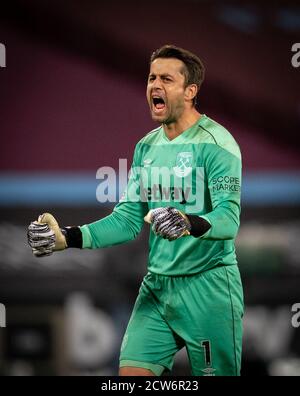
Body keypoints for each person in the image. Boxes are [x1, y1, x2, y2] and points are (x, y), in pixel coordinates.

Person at [28, 45, 244, 376]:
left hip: (209, 290)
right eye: (151, 77)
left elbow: (228, 221)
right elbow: (128, 220)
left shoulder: (217, 144)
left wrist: (188, 222)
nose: (155, 85)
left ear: (190, 92)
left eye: (167, 79)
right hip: (157, 289)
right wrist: (67, 238)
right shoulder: (146, 147)